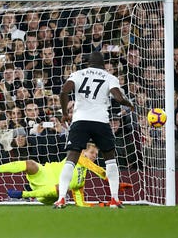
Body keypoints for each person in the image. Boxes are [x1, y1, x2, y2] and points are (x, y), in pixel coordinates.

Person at [53, 52, 134, 209]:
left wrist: (64, 114)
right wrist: (128, 103)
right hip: (100, 122)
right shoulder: (110, 77)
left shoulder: (78, 74)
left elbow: (64, 91)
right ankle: (115, 200)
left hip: (80, 121)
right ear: (103, 64)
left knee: (71, 158)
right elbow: (118, 97)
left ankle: (62, 198)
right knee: (110, 159)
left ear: (88, 63)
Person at [0, 143, 132, 206]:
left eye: (96, 154)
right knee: (30, 164)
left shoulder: (80, 182)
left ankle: (24, 194)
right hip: (44, 173)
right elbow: (99, 170)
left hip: (49, 194)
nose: (94, 155)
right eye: (92, 152)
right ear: (83, 152)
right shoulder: (77, 157)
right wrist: (115, 184)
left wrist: (105, 204)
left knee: (61, 187)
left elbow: (82, 204)